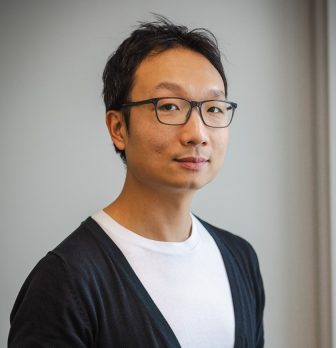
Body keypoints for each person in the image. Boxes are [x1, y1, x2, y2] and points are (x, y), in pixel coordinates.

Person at [9, 16, 265, 347]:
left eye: (214, 109)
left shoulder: (240, 258)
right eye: (169, 106)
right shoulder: (68, 278)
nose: (197, 134)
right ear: (118, 128)